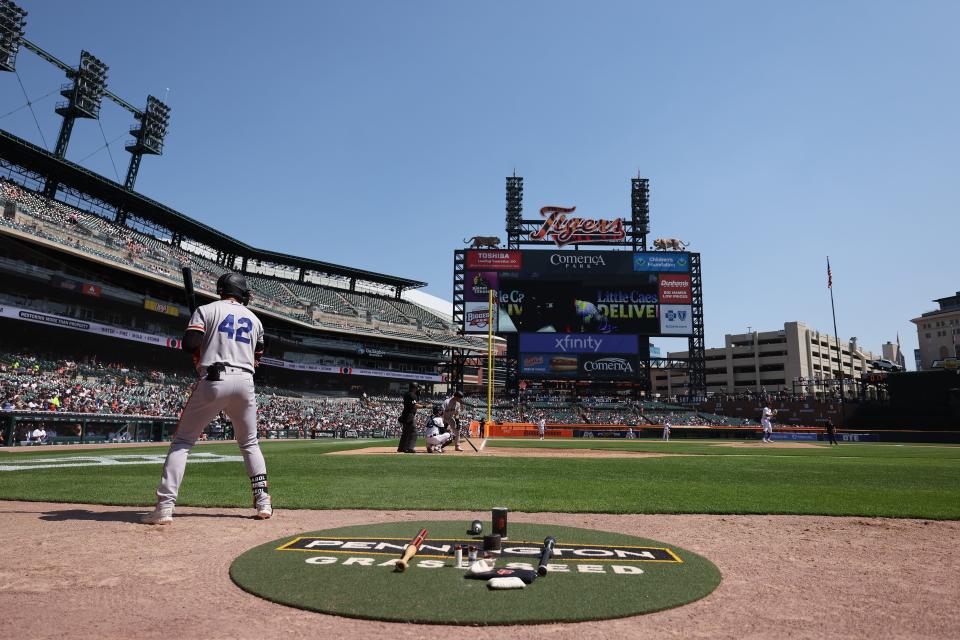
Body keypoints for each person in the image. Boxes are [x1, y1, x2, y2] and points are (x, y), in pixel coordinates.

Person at [142, 272, 272, 525]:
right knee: (249, 443)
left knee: (182, 443)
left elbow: (190, 344)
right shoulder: (255, 319)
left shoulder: (205, 310)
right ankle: (263, 501)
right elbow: (259, 354)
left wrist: (202, 349)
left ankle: (165, 507)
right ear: (241, 292)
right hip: (246, 381)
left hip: (214, 378)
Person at [397, 383, 423, 453]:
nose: (418, 389)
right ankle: (410, 448)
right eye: (417, 388)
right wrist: (426, 406)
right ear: (414, 388)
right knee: (414, 432)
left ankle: (401, 448)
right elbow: (415, 405)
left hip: (405, 415)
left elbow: (415, 400)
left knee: (405, 432)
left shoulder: (408, 394)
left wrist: (418, 394)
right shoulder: (412, 395)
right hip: (409, 415)